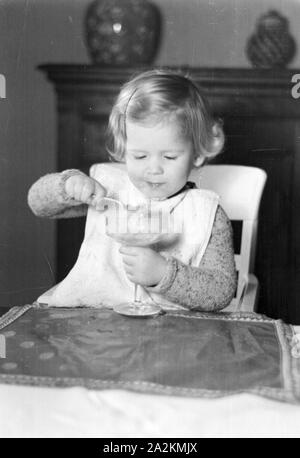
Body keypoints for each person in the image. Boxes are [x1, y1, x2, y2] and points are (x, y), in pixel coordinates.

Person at [28, 69, 237, 311]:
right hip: (96, 323)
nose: (153, 169)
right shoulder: (110, 192)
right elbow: (37, 203)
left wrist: (163, 274)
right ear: (123, 149)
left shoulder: (207, 215)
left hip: (173, 334)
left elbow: (221, 290)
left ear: (198, 154)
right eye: (139, 156)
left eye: (169, 156)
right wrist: (67, 186)